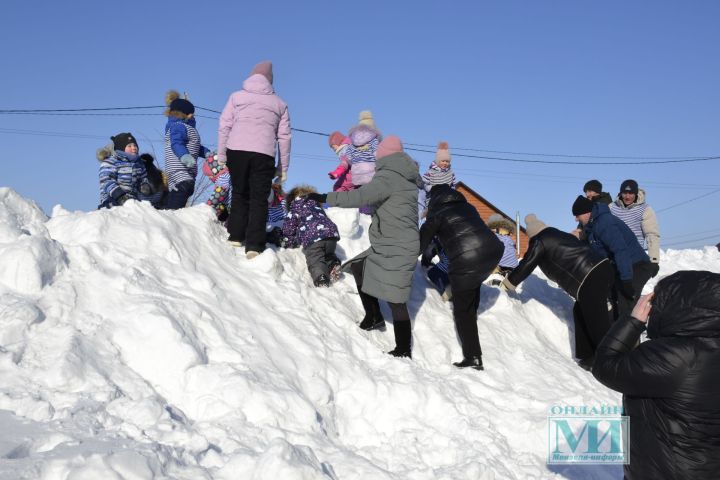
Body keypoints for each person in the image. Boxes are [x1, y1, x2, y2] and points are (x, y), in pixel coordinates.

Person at [592, 270, 720, 480]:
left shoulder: (674, 355)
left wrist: (633, 321)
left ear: (676, 306)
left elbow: (606, 366)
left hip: (665, 471)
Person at [304, 135, 419, 358]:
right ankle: (374, 316)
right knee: (359, 266)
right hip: (394, 241)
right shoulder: (406, 178)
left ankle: (403, 349)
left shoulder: (388, 177)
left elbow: (360, 196)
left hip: (396, 244)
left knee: (396, 297)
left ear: (384, 156)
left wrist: (324, 198)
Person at [502, 214, 615, 370]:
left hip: (589, 276)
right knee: (580, 311)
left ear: (531, 233)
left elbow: (527, 264)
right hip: (601, 268)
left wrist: (508, 284)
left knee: (595, 320)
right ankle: (588, 356)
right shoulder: (557, 234)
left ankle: (609, 362)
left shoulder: (540, 240)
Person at [420, 184, 504, 370]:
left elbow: (420, 244)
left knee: (462, 311)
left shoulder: (437, 213)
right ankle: (472, 308)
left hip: (467, 259)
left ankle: (473, 357)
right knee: (473, 285)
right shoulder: (468, 207)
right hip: (493, 251)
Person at [217, 61, 291, 259]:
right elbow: (284, 137)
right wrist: (282, 167)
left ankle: (235, 235)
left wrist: (222, 154)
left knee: (240, 192)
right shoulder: (279, 103)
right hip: (264, 154)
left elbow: (224, 126)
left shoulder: (236, 97)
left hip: (236, 150)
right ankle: (254, 246)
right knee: (259, 198)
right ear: (270, 81)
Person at [573, 195, 654, 319]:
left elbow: (620, 250)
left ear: (586, 213)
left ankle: (629, 336)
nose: (576, 219)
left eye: (577, 216)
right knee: (612, 298)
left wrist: (626, 280)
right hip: (623, 266)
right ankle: (613, 333)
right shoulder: (592, 227)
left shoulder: (604, 223)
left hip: (636, 265)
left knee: (626, 303)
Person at [281, 185, 341, 287]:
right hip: (331, 235)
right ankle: (333, 264)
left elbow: (289, 227)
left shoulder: (295, 206)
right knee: (327, 254)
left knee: (315, 258)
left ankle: (321, 277)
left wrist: (288, 241)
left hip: (313, 237)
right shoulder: (316, 205)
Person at [163, 90, 212, 210]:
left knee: (173, 209)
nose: (193, 116)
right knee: (173, 211)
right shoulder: (178, 127)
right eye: (192, 113)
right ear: (185, 114)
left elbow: (195, 145)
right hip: (180, 174)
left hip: (186, 176)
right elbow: (177, 143)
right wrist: (184, 156)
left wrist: (207, 153)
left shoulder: (188, 128)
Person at [609, 179, 661, 267]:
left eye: (631, 193)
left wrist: (654, 260)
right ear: (620, 193)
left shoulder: (645, 209)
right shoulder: (611, 207)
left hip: (635, 258)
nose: (627, 196)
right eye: (625, 193)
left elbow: (651, 235)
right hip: (614, 257)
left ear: (636, 193)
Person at [97, 132, 153, 209]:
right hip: (112, 197)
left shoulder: (139, 163)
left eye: (135, 145)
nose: (134, 148)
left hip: (132, 199)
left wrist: (144, 185)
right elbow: (106, 180)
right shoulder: (111, 162)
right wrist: (119, 195)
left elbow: (143, 178)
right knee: (115, 208)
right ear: (121, 148)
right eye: (129, 146)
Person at [345, 110, 381, 188]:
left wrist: (356, 163)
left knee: (360, 195)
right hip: (371, 174)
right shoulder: (373, 141)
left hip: (356, 175)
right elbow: (377, 155)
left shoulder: (352, 143)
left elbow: (348, 158)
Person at [421, 142, 457, 211]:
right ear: (438, 161)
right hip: (433, 199)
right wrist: (431, 188)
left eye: (447, 161)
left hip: (446, 200)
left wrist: (452, 194)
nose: (445, 163)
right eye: (443, 161)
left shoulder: (450, 173)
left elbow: (453, 185)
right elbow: (424, 183)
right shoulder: (430, 172)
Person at [202, 153, 231, 222]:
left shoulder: (223, 177)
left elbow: (221, 191)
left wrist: (209, 205)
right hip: (229, 205)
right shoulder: (229, 174)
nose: (209, 178)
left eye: (209, 175)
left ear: (215, 170)